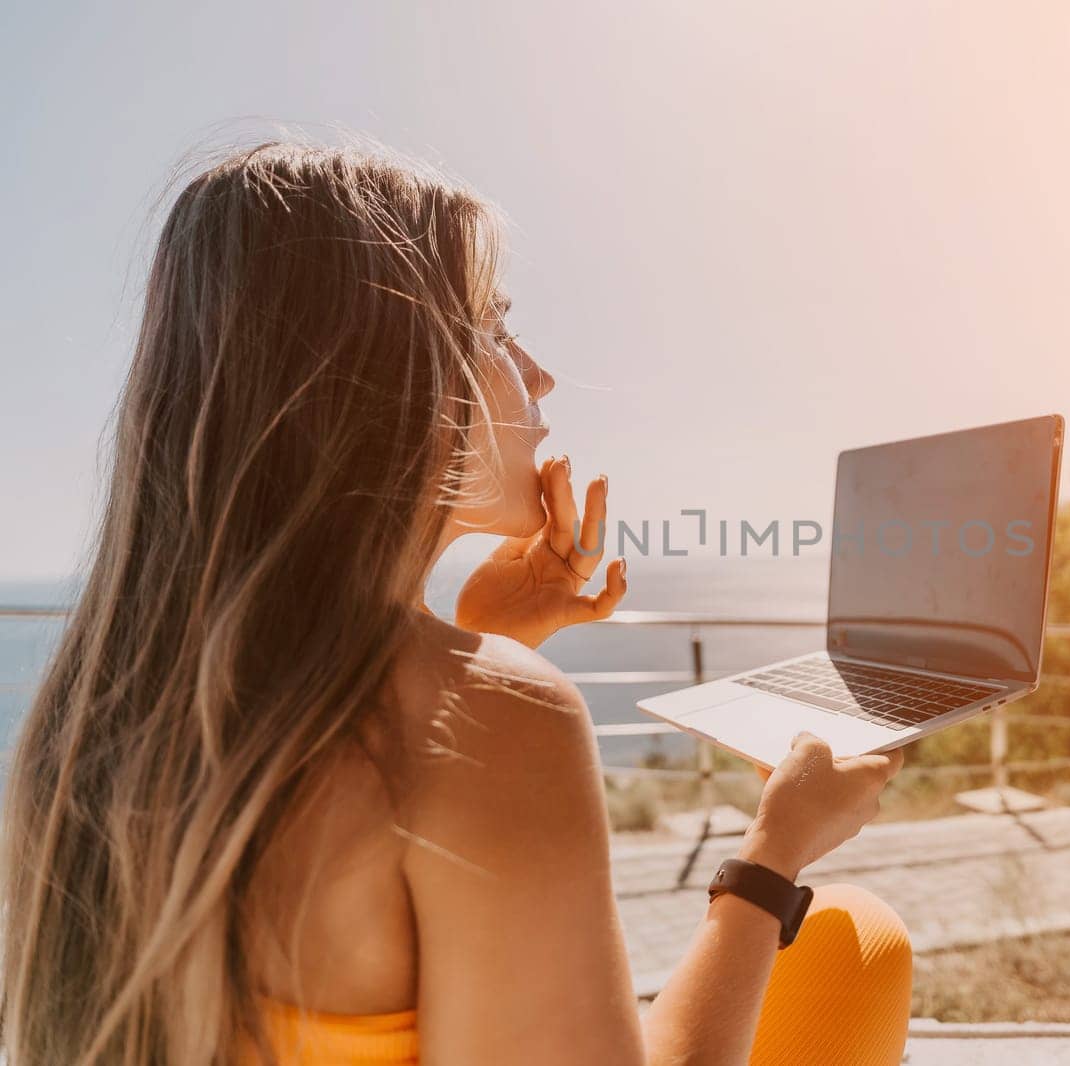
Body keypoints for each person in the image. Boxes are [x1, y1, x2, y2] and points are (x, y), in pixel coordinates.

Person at [1, 141, 912, 1065]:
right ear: (383, 374)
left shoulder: (96, 708)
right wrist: (773, 854)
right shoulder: (498, 719)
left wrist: (485, 642)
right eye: (493, 324)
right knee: (854, 939)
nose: (540, 373)